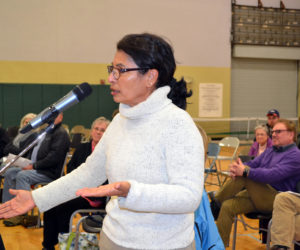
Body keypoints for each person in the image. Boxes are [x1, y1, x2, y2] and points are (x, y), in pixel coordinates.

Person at [0, 33, 204, 250]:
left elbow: (189, 197)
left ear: (150, 77)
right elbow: (88, 173)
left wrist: (130, 191)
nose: (111, 78)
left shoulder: (178, 124)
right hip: (112, 240)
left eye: (121, 70)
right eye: (112, 69)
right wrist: (36, 198)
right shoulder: (119, 121)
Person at [209, 119, 300, 247]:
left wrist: (244, 171)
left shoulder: (295, 156)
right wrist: (238, 167)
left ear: (291, 135)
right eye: (273, 131)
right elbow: (253, 164)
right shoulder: (272, 150)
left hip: (278, 200)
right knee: (228, 206)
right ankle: (218, 246)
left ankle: (214, 203)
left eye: (278, 131)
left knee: (245, 175)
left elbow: (272, 175)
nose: (273, 134)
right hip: (258, 195)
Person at [42, 116, 110, 250]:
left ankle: (66, 245)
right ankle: (48, 246)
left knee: (63, 207)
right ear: (91, 131)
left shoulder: (110, 153)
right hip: (76, 190)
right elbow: (72, 169)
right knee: (50, 203)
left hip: (95, 196)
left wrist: (88, 189)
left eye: (102, 130)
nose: (98, 132)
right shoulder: (82, 148)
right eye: (96, 129)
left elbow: (108, 179)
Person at [2, 112, 70, 226]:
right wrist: (25, 164)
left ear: (61, 117)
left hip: (49, 172)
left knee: (22, 176)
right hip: (35, 168)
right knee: (10, 172)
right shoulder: (46, 131)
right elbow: (34, 152)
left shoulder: (60, 133)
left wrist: (33, 166)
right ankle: (7, 209)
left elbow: (54, 158)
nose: (51, 117)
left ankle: (21, 214)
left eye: (55, 115)